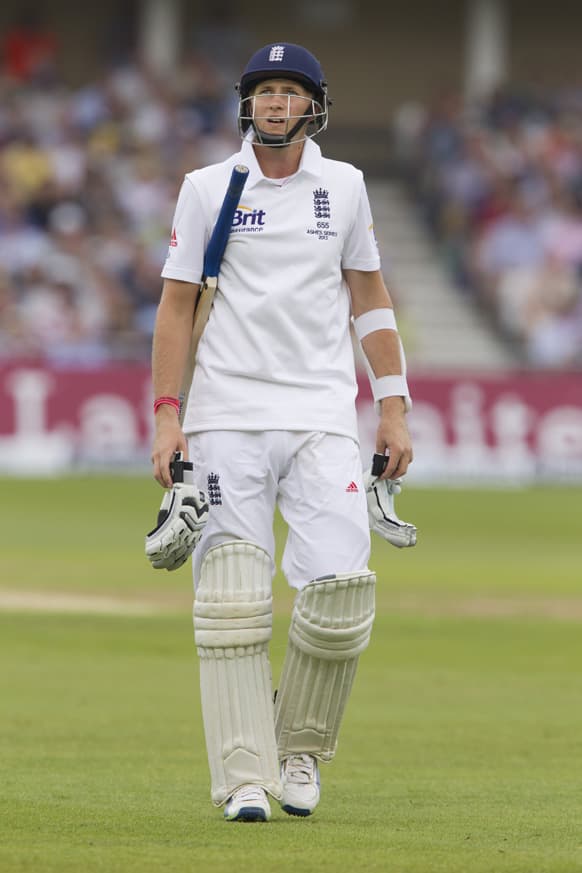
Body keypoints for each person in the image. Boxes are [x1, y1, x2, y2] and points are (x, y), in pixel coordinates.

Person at [150, 42, 413, 822]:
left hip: (324, 415)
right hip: (225, 414)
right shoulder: (207, 188)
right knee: (231, 599)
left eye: (287, 92)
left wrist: (392, 403)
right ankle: (242, 776)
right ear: (246, 103)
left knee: (340, 595)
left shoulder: (346, 185)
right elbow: (174, 307)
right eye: (262, 90)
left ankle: (296, 747)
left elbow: (369, 296)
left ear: (312, 104)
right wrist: (167, 414)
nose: (273, 102)